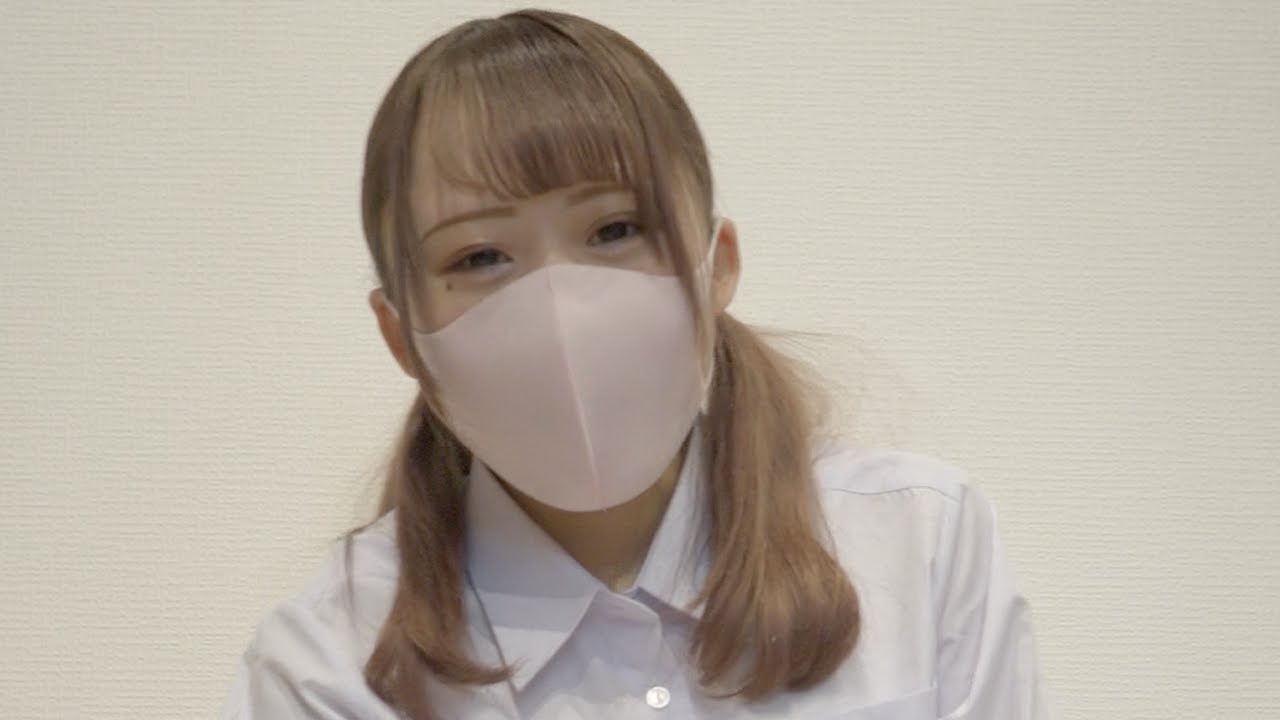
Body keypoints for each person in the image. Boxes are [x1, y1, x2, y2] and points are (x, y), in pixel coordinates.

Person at [220, 8, 1049, 719]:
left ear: (717, 265)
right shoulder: (329, 664)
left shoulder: (917, 546)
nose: (560, 310)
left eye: (615, 230)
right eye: (479, 258)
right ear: (400, 335)